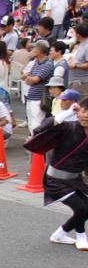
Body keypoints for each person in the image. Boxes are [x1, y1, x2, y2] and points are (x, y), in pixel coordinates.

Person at [24, 98, 88, 250]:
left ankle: (60, 234)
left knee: (86, 208)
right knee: (81, 208)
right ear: (77, 112)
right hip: (55, 180)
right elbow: (40, 129)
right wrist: (66, 113)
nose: (85, 115)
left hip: (76, 180)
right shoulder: (68, 127)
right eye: (83, 111)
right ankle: (81, 236)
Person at [23, 40, 55, 134]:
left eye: (35, 48)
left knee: (37, 123)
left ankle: (36, 142)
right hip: (31, 96)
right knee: (31, 122)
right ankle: (32, 140)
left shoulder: (48, 63)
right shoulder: (37, 62)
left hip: (39, 98)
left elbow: (35, 79)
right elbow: (28, 79)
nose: (32, 49)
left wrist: (29, 78)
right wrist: (30, 78)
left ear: (41, 50)